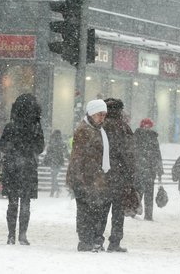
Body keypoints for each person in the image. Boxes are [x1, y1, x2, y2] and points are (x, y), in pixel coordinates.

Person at [0, 93, 44, 245]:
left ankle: (11, 235)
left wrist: (14, 149)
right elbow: (40, 147)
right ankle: (22, 235)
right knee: (26, 203)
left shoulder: (10, 126)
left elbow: (2, 146)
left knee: (12, 203)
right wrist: (28, 149)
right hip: (28, 168)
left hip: (12, 168)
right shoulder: (36, 127)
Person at [66, 99, 110, 252]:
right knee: (85, 211)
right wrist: (79, 179)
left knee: (95, 211)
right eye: (99, 114)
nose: (102, 118)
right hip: (85, 178)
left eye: (104, 115)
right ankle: (85, 241)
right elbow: (77, 157)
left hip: (96, 179)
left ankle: (93, 240)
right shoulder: (84, 130)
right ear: (92, 114)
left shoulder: (98, 130)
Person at [100, 98, 135, 252]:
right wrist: (130, 174)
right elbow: (129, 153)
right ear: (120, 111)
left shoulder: (100, 126)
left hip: (102, 175)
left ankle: (97, 239)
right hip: (120, 175)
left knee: (101, 209)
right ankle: (115, 242)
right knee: (118, 211)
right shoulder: (123, 128)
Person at [134, 118, 164, 221]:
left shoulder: (151, 137)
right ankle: (134, 212)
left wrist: (159, 170)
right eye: (145, 126)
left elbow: (157, 155)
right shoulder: (138, 136)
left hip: (147, 171)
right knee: (139, 193)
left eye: (148, 126)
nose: (146, 128)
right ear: (141, 126)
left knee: (146, 193)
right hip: (141, 170)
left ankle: (147, 215)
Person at [43, 130, 68, 198]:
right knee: (54, 177)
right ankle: (56, 190)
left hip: (53, 161)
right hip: (59, 162)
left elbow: (48, 152)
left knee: (53, 177)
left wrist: (46, 159)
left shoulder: (52, 142)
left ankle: (54, 191)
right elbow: (65, 152)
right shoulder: (61, 142)